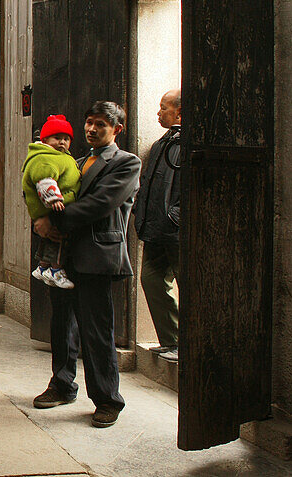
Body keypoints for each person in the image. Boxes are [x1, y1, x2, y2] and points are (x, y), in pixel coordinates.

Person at [33, 101, 140, 428]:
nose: (91, 130)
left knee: (97, 331)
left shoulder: (125, 163)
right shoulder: (74, 162)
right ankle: (62, 384)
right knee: (61, 324)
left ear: (116, 130)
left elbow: (100, 203)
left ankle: (108, 399)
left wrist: (52, 219)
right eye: (89, 123)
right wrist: (41, 216)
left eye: (100, 125)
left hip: (96, 256)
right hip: (64, 256)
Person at [134, 89, 182, 363]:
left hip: (175, 229)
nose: (158, 112)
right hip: (154, 229)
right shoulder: (160, 144)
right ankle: (171, 340)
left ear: (179, 112)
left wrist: (175, 217)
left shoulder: (184, 143)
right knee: (151, 280)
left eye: (163, 107)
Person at [23, 114, 81, 289]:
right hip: (53, 207)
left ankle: (42, 267)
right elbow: (44, 180)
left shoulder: (60, 157)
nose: (62, 142)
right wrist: (53, 199)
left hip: (54, 210)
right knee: (58, 240)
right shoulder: (45, 157)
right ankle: (54, 270)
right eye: (57, 138)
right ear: (45, 139)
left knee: (51, 239)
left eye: (66, 139)